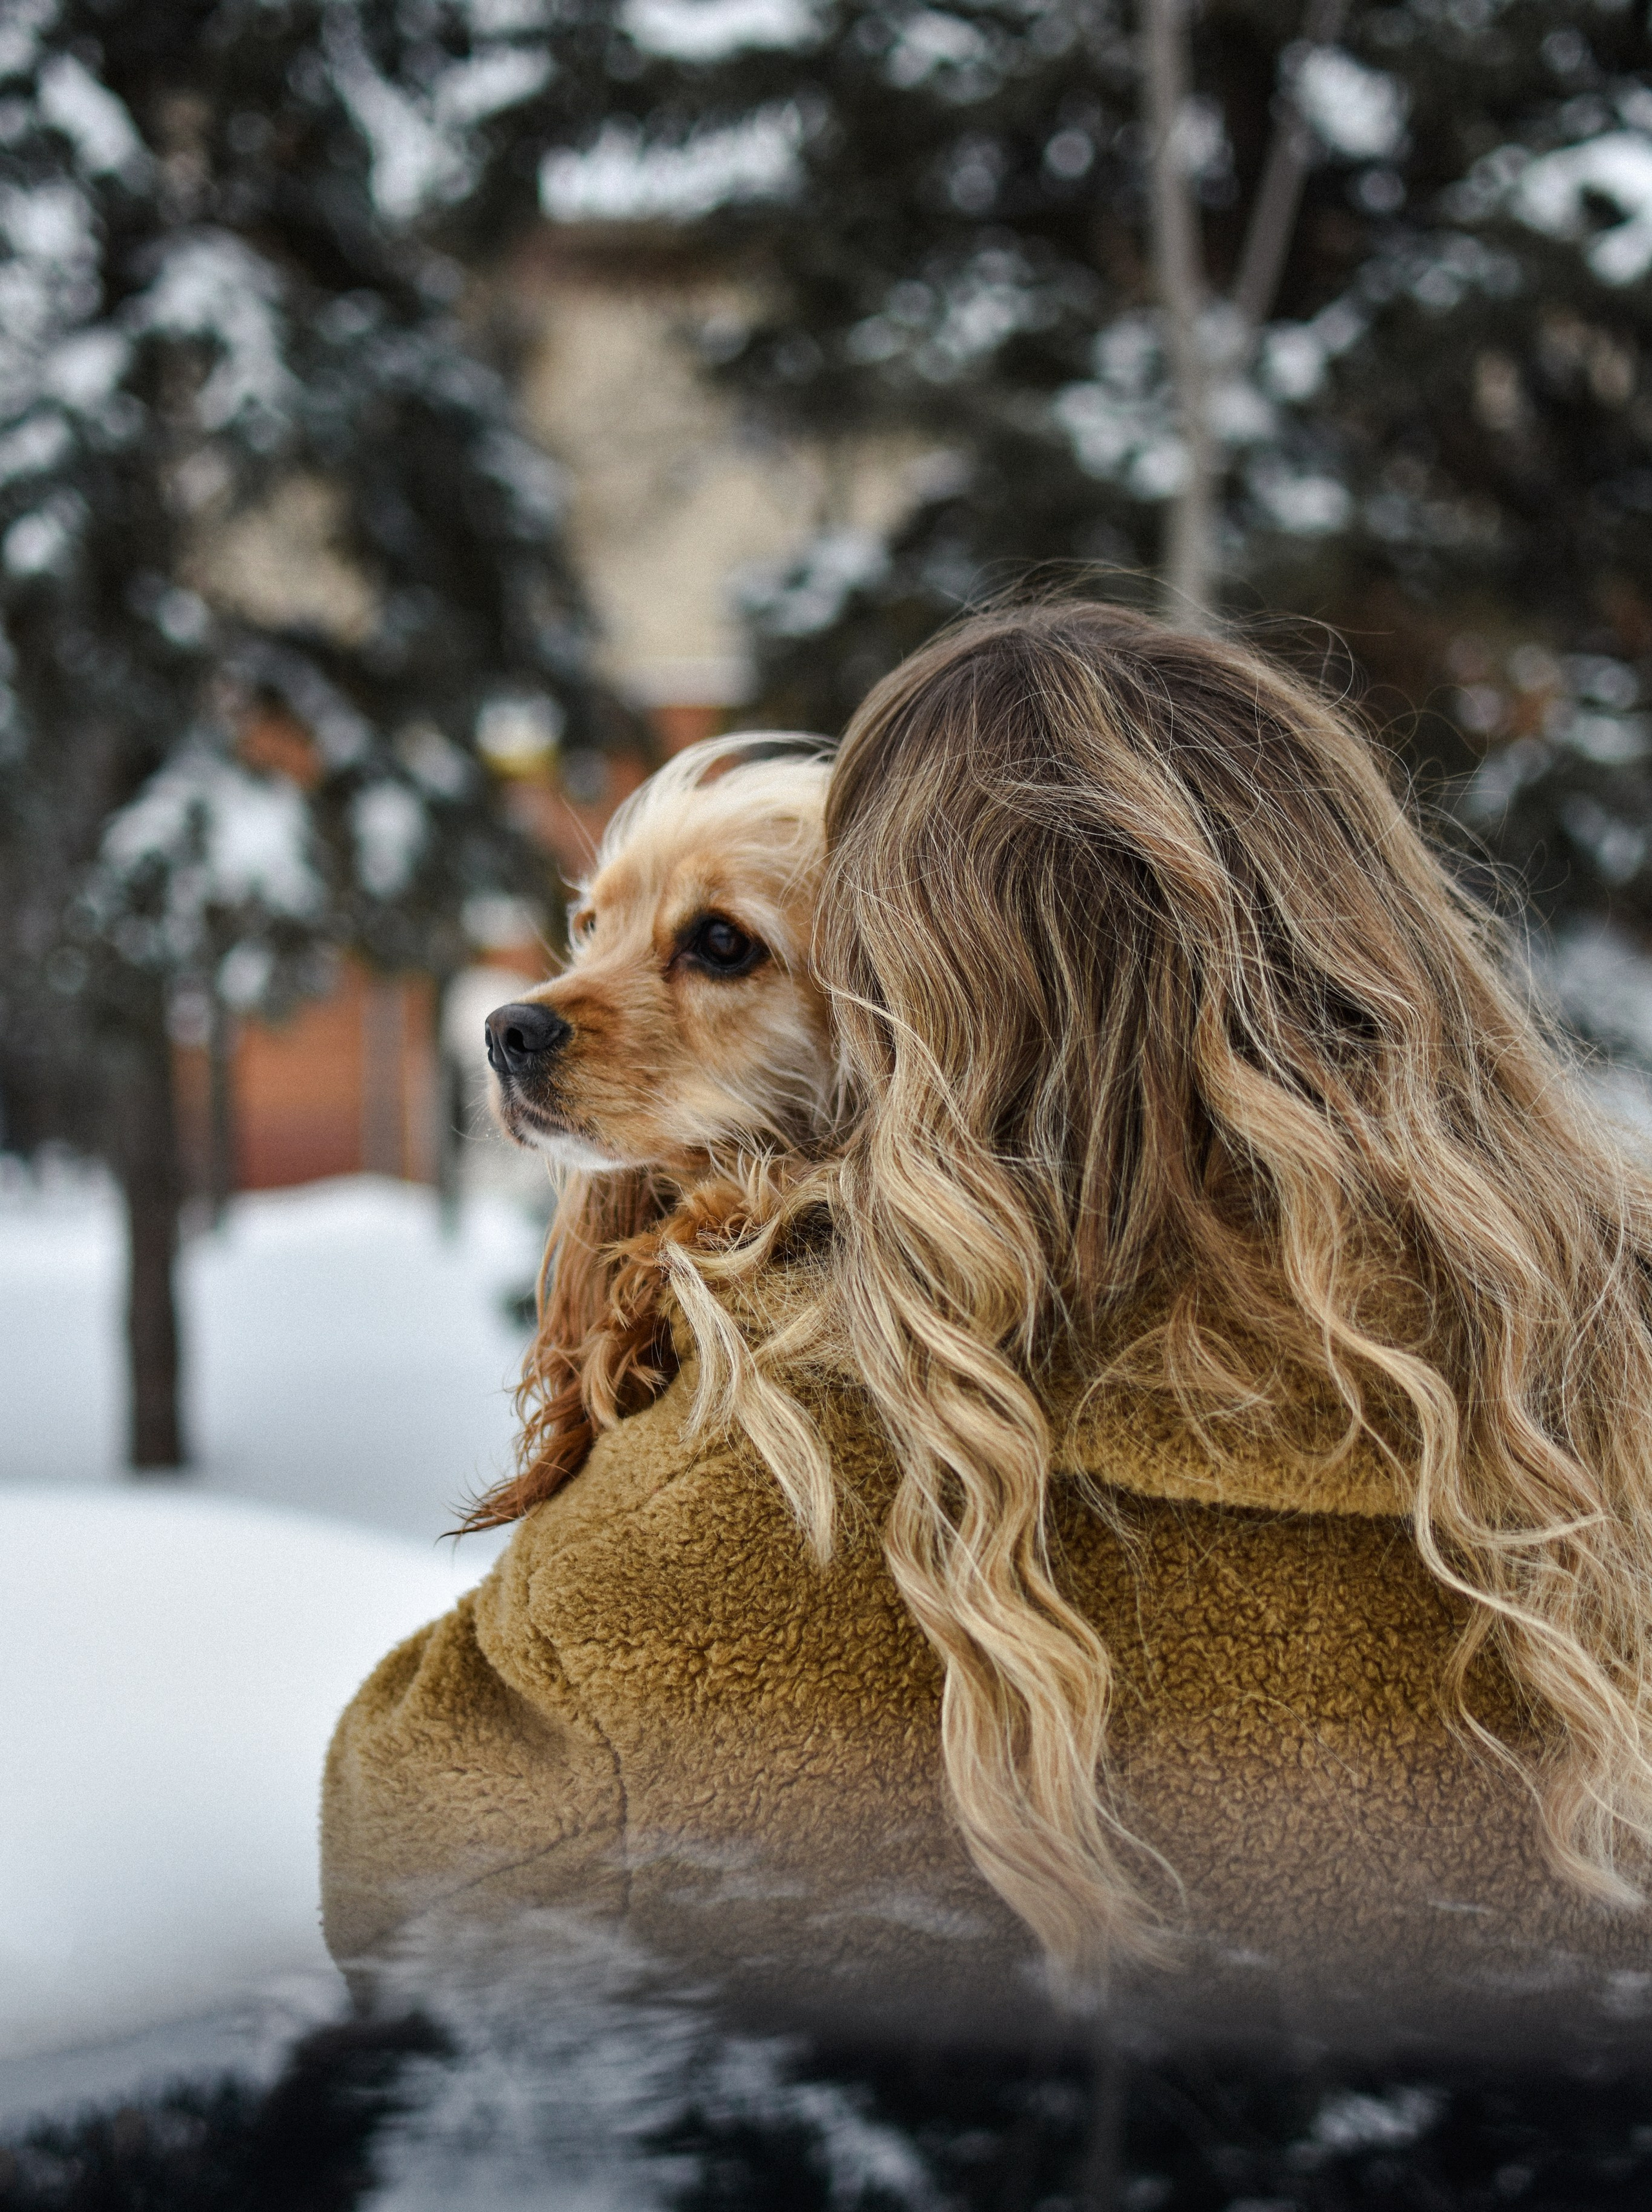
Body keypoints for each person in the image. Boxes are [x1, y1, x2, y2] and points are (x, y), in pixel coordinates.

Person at [322, 602, 1652, 2036]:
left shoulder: (770, 1490)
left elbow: (416, 1880)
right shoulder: (1599, 1399)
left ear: (918, 1018)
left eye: (721, 946)